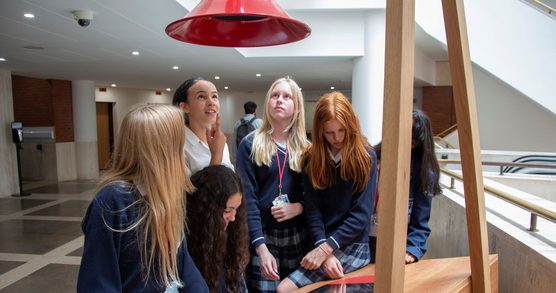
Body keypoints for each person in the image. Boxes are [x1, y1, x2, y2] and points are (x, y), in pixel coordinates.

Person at [77, 104, 208, 292]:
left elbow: (182, 264)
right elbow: (97, 282)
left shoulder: (166, 193)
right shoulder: (112, 201)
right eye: (180, 142)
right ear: (163, 150)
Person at [277, 91, 378, 292]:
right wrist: (323, 250)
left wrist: (326, 249)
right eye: (329, 132)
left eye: (342, 130)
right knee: (283, 289)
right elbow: (313, 211)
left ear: (351, 126)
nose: (337, 138)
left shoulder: (366, 157)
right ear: (319, 131)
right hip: (320, 241)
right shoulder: (311, 158)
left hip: (353, 244)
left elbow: (361, 216)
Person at [236, 76, 310, 292]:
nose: (279, 100)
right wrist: (260, 248)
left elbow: (317, 197)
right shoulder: (250, 144)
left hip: (298, 235)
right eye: (275, 95)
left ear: (297, 108)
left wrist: (298, 206)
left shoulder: (307, 148)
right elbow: (247, 200)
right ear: (268, 102)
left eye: (287, 96)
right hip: (263, 235)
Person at [369, 109, 441, 264]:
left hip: (396, 243)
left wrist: (412, 248)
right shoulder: (373, 157)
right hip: (363, 239)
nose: (402, 139)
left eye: (410, 138)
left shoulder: (423, 171)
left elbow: (420, 220)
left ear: (417, 143)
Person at [186, 165, 250, 293]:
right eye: (227, 211)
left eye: (236, 209)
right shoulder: (186, 245)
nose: (233, 218)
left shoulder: (230, 235)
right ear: (207, 211)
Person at [173, 77, 234, 174]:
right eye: (201, 97)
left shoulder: (220, 141)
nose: (211, 102)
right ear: (184, 107)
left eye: (214, 96)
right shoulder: (177, 146)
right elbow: (186, 189)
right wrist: (216, 158)